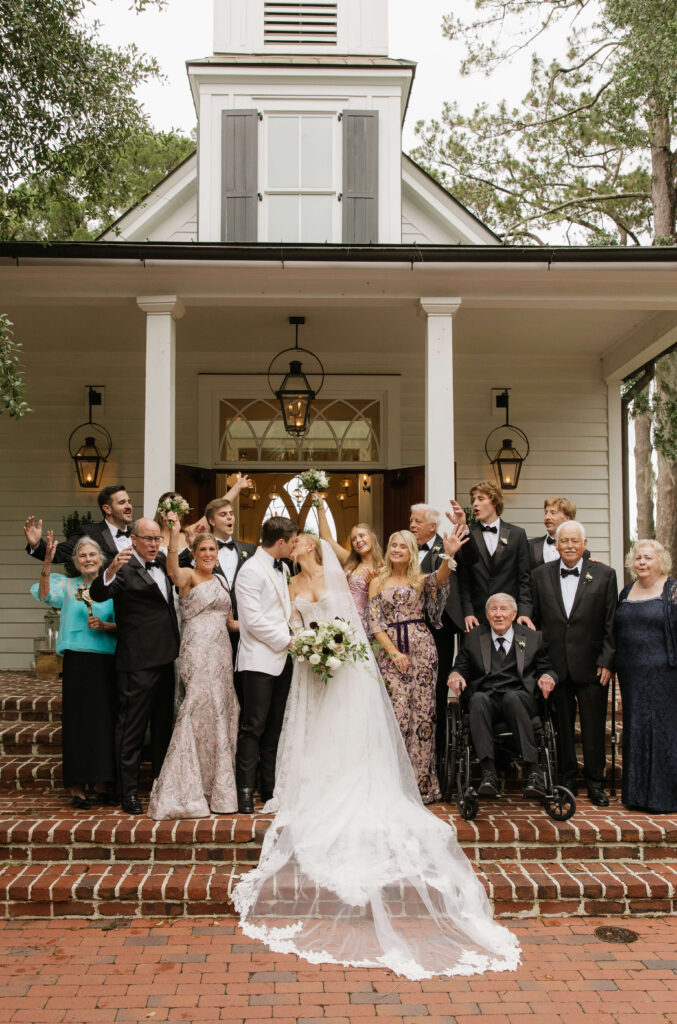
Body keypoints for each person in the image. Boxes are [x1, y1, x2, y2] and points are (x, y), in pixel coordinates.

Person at [232, 538, 520, 979]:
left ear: (311, 547)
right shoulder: (288, 582)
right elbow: (290, 624)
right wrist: (308, 646)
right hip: (310, 666)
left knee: (345, 730)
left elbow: (351, 622)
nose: (294, 548)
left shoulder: (335, 577)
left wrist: (333, 646)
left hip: (341, 662)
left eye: (300, 542)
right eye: (293, 543)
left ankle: (368, 783)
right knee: (311, 730)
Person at [367, 526, 468, 804]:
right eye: (393, 545)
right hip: (390, 654)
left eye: (402, 546)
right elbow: (374, 623)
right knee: (396, 715)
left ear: (411, 551)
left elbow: (442, 576)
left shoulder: (421, 580)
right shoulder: (377, 580)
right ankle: (392, 783)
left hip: (423, 651)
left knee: (423, 715)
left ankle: (421, 785)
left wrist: (448, 555)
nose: (397, 550)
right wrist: (393, 653)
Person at [147, 516, 239, 819]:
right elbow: (171, 568)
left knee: (221, 710)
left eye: (213, 550)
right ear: (195, 553)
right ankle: (186, 786)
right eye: (204, 551)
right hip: (196, 651)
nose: (209, 555)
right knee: (196, 709)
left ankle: (217, 790)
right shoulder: (187, 575)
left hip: (222, 652)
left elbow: (230, 622)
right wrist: (173, 535)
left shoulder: (223, 581)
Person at [89, 517, 180, 815]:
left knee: (163, 726)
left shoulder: (165, 561)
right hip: (137, 661)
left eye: (157, 539)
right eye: (148, 539)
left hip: (167, 658)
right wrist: (110, 569)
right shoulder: (123, 568)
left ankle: (160, 784)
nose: (154, 544)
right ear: (134, 540)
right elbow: (99, 593)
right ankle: (127, 792)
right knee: (131, 728)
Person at [531, 520, 617, 806]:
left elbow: (610, 621)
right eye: (563, 541)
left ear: (584, 543)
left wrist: (607, 659)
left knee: (593, 727)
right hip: (555, 665)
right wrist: (542, 664)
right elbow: (536, 621)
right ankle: (566, 779)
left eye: (574, 541)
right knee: (562, 726)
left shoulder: (605, 575)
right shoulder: (540, 575)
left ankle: (595, 783)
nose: (568, 546)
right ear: (556, 544)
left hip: (592, 664)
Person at [30, 533, 117, 809]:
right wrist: (46, 563)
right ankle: (77, 786)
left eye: (93, 555)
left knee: (105, 721)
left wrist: (106, 626)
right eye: (83, 555)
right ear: (76, 562)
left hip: (106, 660)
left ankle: (103, 781)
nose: (88, 559)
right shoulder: (66, 586)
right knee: (78, 722)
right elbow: (44, 595)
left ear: (101, 560)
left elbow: (125, 622)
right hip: (78, 662)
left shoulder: (113, 587)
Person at [448, 594, 557, 799]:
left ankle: (534, 771)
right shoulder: (473, 638)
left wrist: (546, 676)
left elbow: (547, 668)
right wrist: (455, 675)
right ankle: (489, 773)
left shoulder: (532, 637)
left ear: (514, 614)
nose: (499, 614)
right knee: (477, 699)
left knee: (512, 698)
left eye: (504, 609)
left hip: (521, 700)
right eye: (493, 610)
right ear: (486, 615)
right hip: (488, 701)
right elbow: (460, 667)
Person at [234, 516, 298, 814]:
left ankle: (269, 788)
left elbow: (283, 612)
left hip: (284, 660)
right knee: (253, 727)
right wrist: (286, 641)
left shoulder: (283, 567)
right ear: (281, 542)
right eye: (294, 540)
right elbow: (252, 620)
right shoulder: (249, 571)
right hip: (258, 660)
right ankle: (245, 790)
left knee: (274, 728)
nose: (296, 545)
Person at [409, 500, 477, 778]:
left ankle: (435, 760)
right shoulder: (407, 547)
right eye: (411, 520)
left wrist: (462, 525)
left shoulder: (448, 543)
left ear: (432, 526)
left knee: (436, 690)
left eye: (416, 521)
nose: (411, 525)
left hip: (442, 629)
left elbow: (471, 560)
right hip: (411, 629)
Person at [615, 539, 677, 813]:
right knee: (636, 728)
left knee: (663, 730)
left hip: (665, 671)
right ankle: (637, 794)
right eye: (638, 558)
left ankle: (663, 797)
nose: (642, 562)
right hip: (631, 672)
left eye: (648, 558)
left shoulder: (672, 589)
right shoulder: (627, 590)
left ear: (660, 561)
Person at [458, 481, 534, 630]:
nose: (475, 504)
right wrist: (468, 612)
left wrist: (524, 612)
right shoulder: (467, 533)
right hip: (476, 619)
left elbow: (524, 578)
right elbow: (463, 579)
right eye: (473, 500)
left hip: (509, 616)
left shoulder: (517, 534)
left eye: (480, 499)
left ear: (494, 501)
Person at [314, 495, 383, 625]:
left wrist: (372, 586)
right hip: (344, 621)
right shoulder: (349, 561)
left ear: (372, 537)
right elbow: (327, 538)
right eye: (354, 539)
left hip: (367, 624)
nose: (358, 541)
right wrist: (320, 507)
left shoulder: (383, 568)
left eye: (361, 536)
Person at [24, 484, 133, 564]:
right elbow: (58, 554)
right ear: (107, 509)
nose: (129, 506)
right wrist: (37, 544)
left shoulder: (138, 534)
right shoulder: (90, 533)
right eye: (122, 503)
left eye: (129, 502)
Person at [528, 496, 579, 570]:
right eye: (546, 513)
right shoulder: (529, 546)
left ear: (567, 519)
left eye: (553, 513)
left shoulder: (580, 551)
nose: (547, 517)